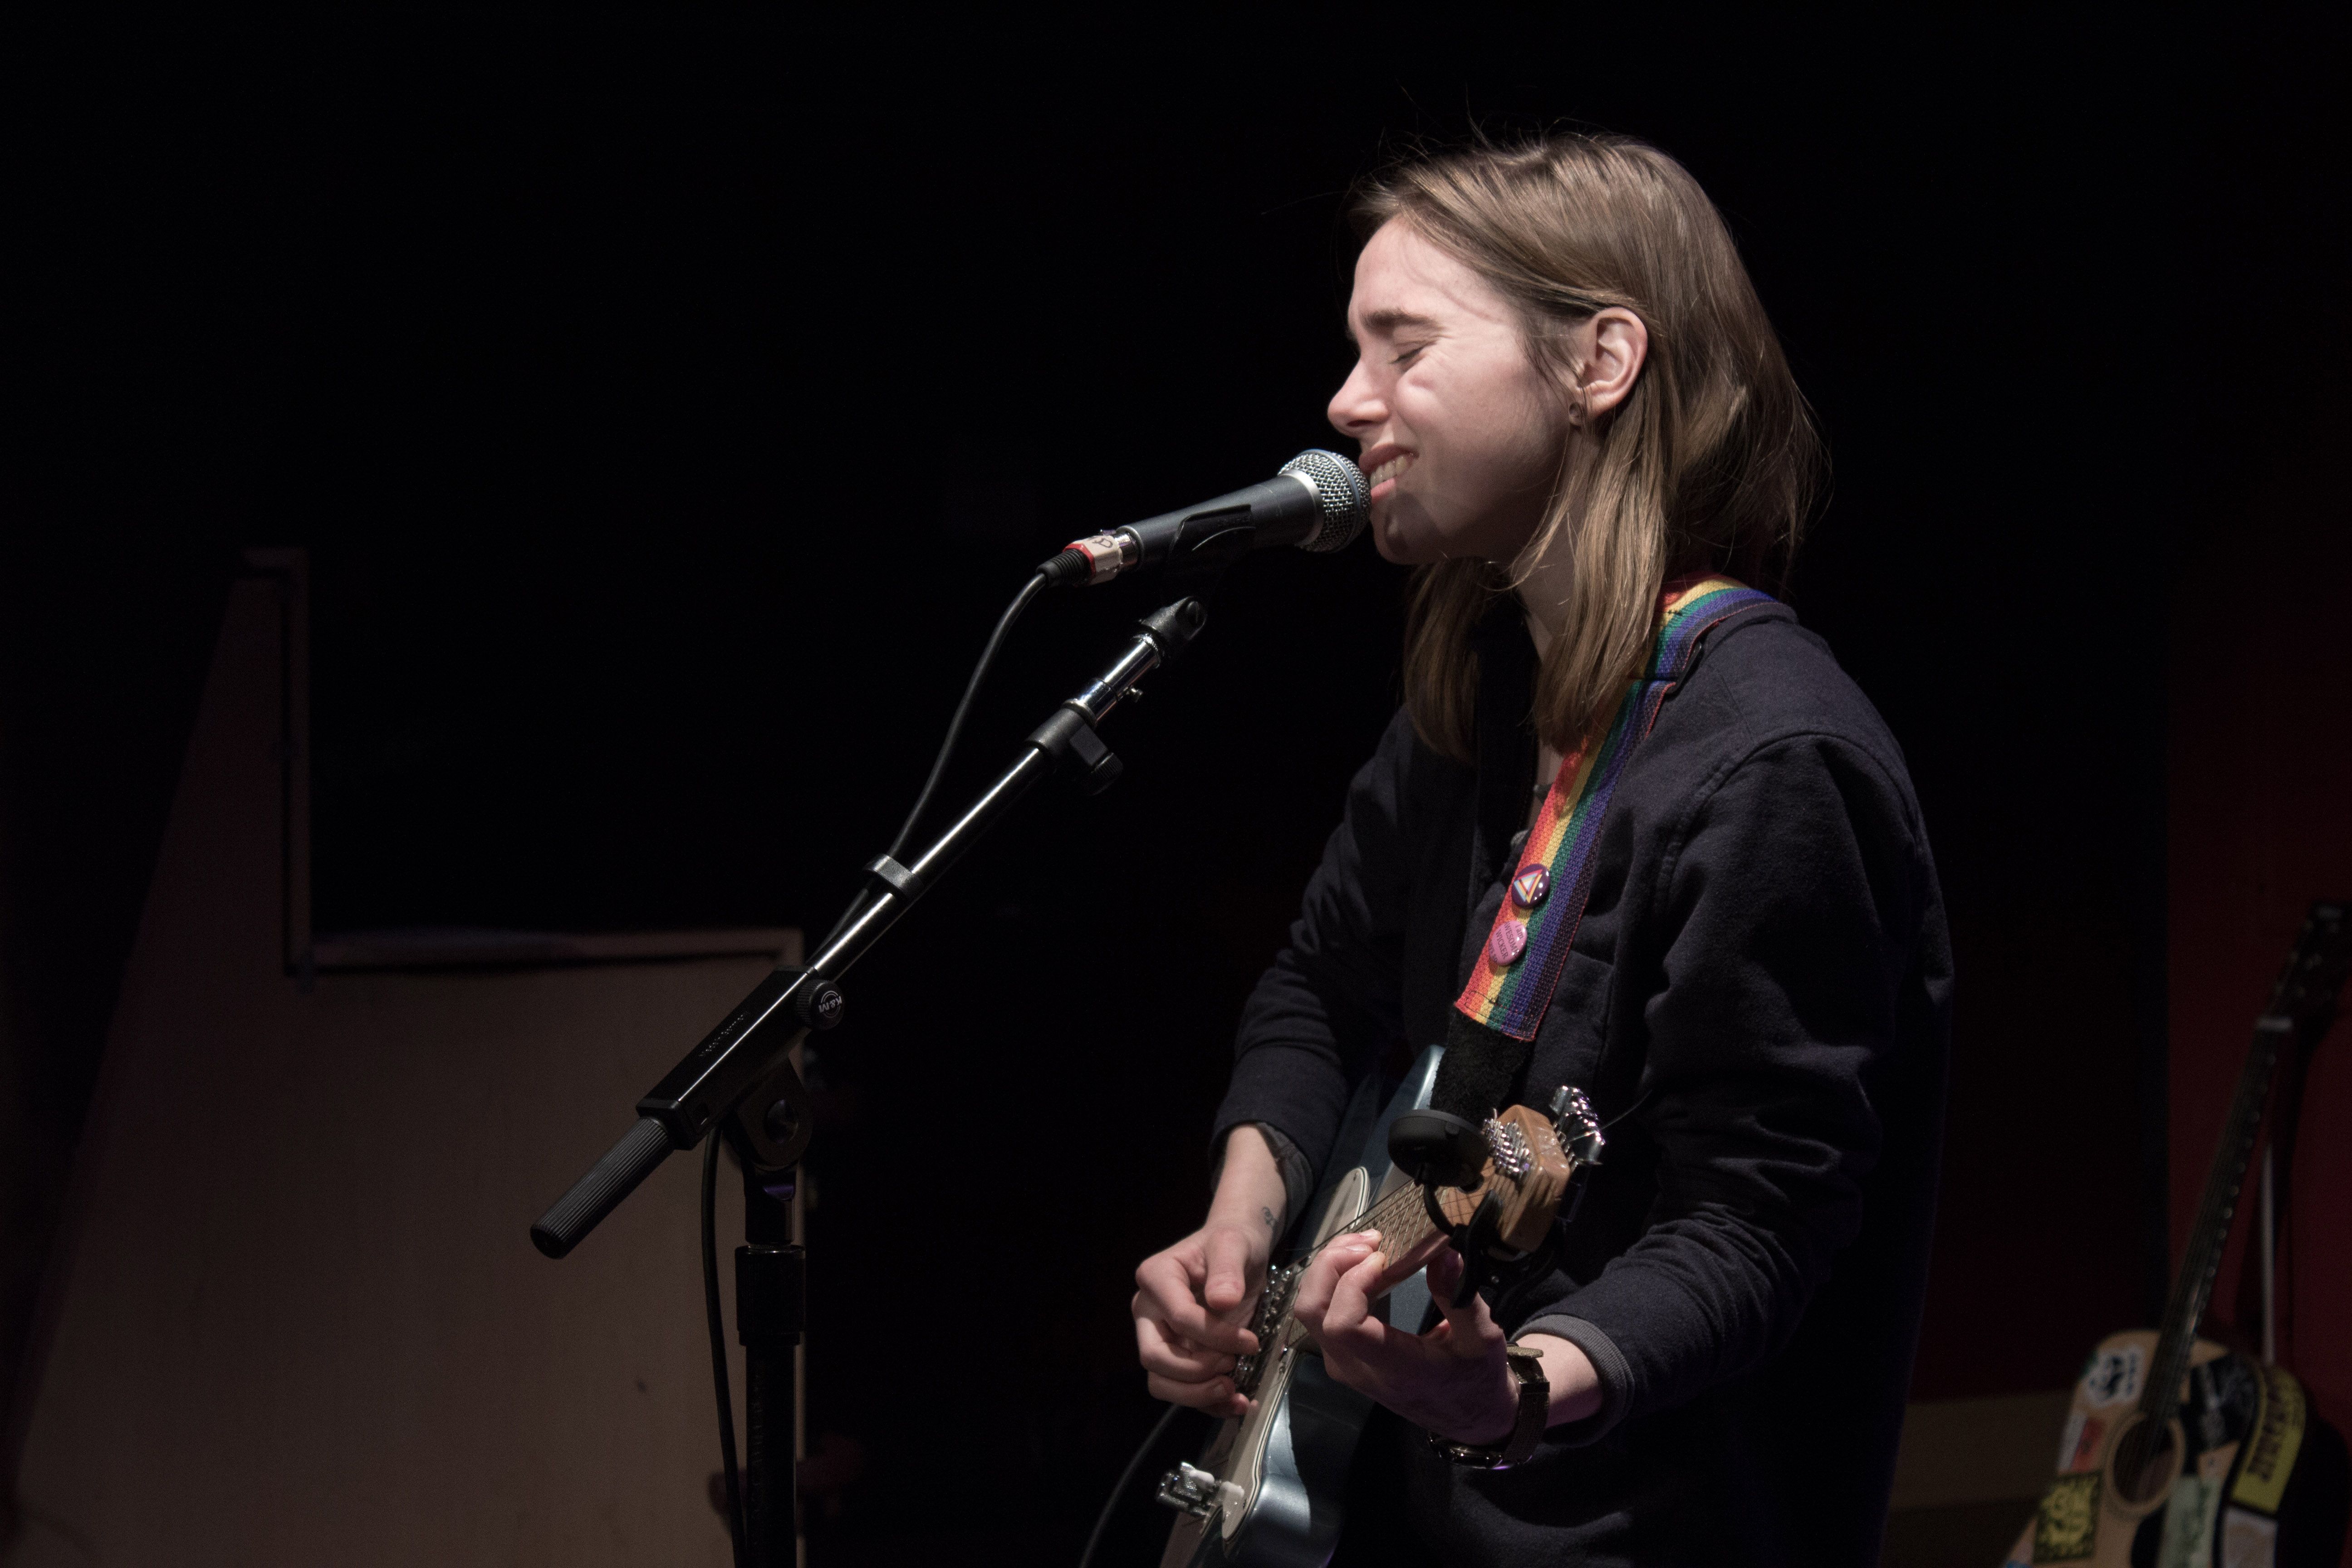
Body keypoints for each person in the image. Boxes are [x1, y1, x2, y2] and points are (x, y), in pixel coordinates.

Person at [1130, 133, 1952, 1566]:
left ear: (1600, 363)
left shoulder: (1776, 760)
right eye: (1351, 350)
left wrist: (1508, 1389)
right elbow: (1319, 987)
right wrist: (1238, 1226)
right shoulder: (1474, 704)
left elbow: (1754, 1224)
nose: (1345, 401)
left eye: (1405, 346)